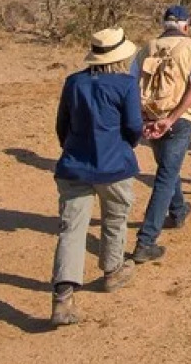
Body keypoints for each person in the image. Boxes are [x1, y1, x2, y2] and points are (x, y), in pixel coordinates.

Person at [50, 26, 142, 326]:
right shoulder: (126, 85)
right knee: (115, 217)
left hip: (75, 164)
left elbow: (62, 126)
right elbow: (133, 127)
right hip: (114, 165)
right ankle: (112, 270)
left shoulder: (73, 82)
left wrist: (74, 148)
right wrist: (124, 146)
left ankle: (63, 297)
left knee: (71, 229)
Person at [131, 5, 191, 263]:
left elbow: (131, 84)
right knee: (165, 175)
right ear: (186, 25)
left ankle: (177, 210)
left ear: (165, 24)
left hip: (150, 115)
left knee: (167, 167)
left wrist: (142, 118)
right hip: (179, 118)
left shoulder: (146, 48)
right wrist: (172, 118)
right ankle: (145, 241)